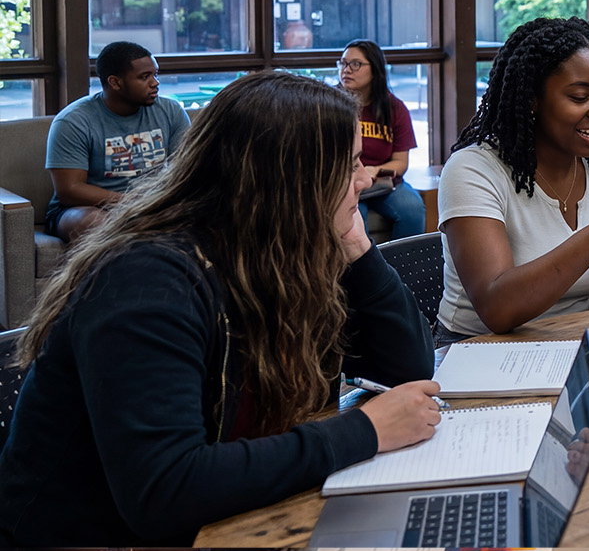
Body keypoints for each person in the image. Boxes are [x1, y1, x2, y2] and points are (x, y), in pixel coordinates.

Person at [0, 71, 439, 546]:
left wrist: (359, 248)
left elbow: (406, 371)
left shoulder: (281, 254)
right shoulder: (147, 279)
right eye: (351, 164)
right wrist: (364, 431)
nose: (365, 178)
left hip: (222, 522)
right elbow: (166, 490)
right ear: (291, 179)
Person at [436, 17, 589, 340]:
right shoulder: (473, 170)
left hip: (579, 343)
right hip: (478, 351)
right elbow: (497, 308)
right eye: (580, 97)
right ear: (532, 99)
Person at [44, 41, 191, 244]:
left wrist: (162, 202)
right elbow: (70, 190)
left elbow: (185, 171)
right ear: (115, 82)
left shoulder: (170, 111)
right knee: (94, 222)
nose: (155, 82)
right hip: (86, 209)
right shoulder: (73, 121)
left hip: (153, 204)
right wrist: (131, 203)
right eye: (144, 77)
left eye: (155, 74)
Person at [339, 40, 426, 240]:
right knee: (354, 218)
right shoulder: (331, 105)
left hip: (383, 183)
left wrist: (375, 171)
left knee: (412, 208)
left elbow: (401, 163)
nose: (347, 70)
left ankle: (405, 270)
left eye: (356, 64)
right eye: (343, 63)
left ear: (375, 69)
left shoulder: (395, 108)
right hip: (346, 184)